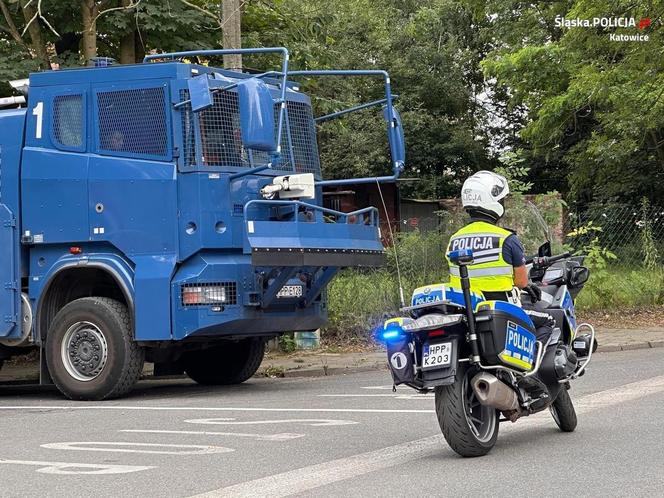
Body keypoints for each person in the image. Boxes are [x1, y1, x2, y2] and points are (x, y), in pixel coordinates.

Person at [445, 170, 554, 346]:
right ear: (493, 202)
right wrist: (530, 285)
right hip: (501, 311)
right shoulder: (506, 239)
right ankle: (529, 370)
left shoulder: (454, 239)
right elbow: (520, 282)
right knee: (548, 321)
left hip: (466, 312)